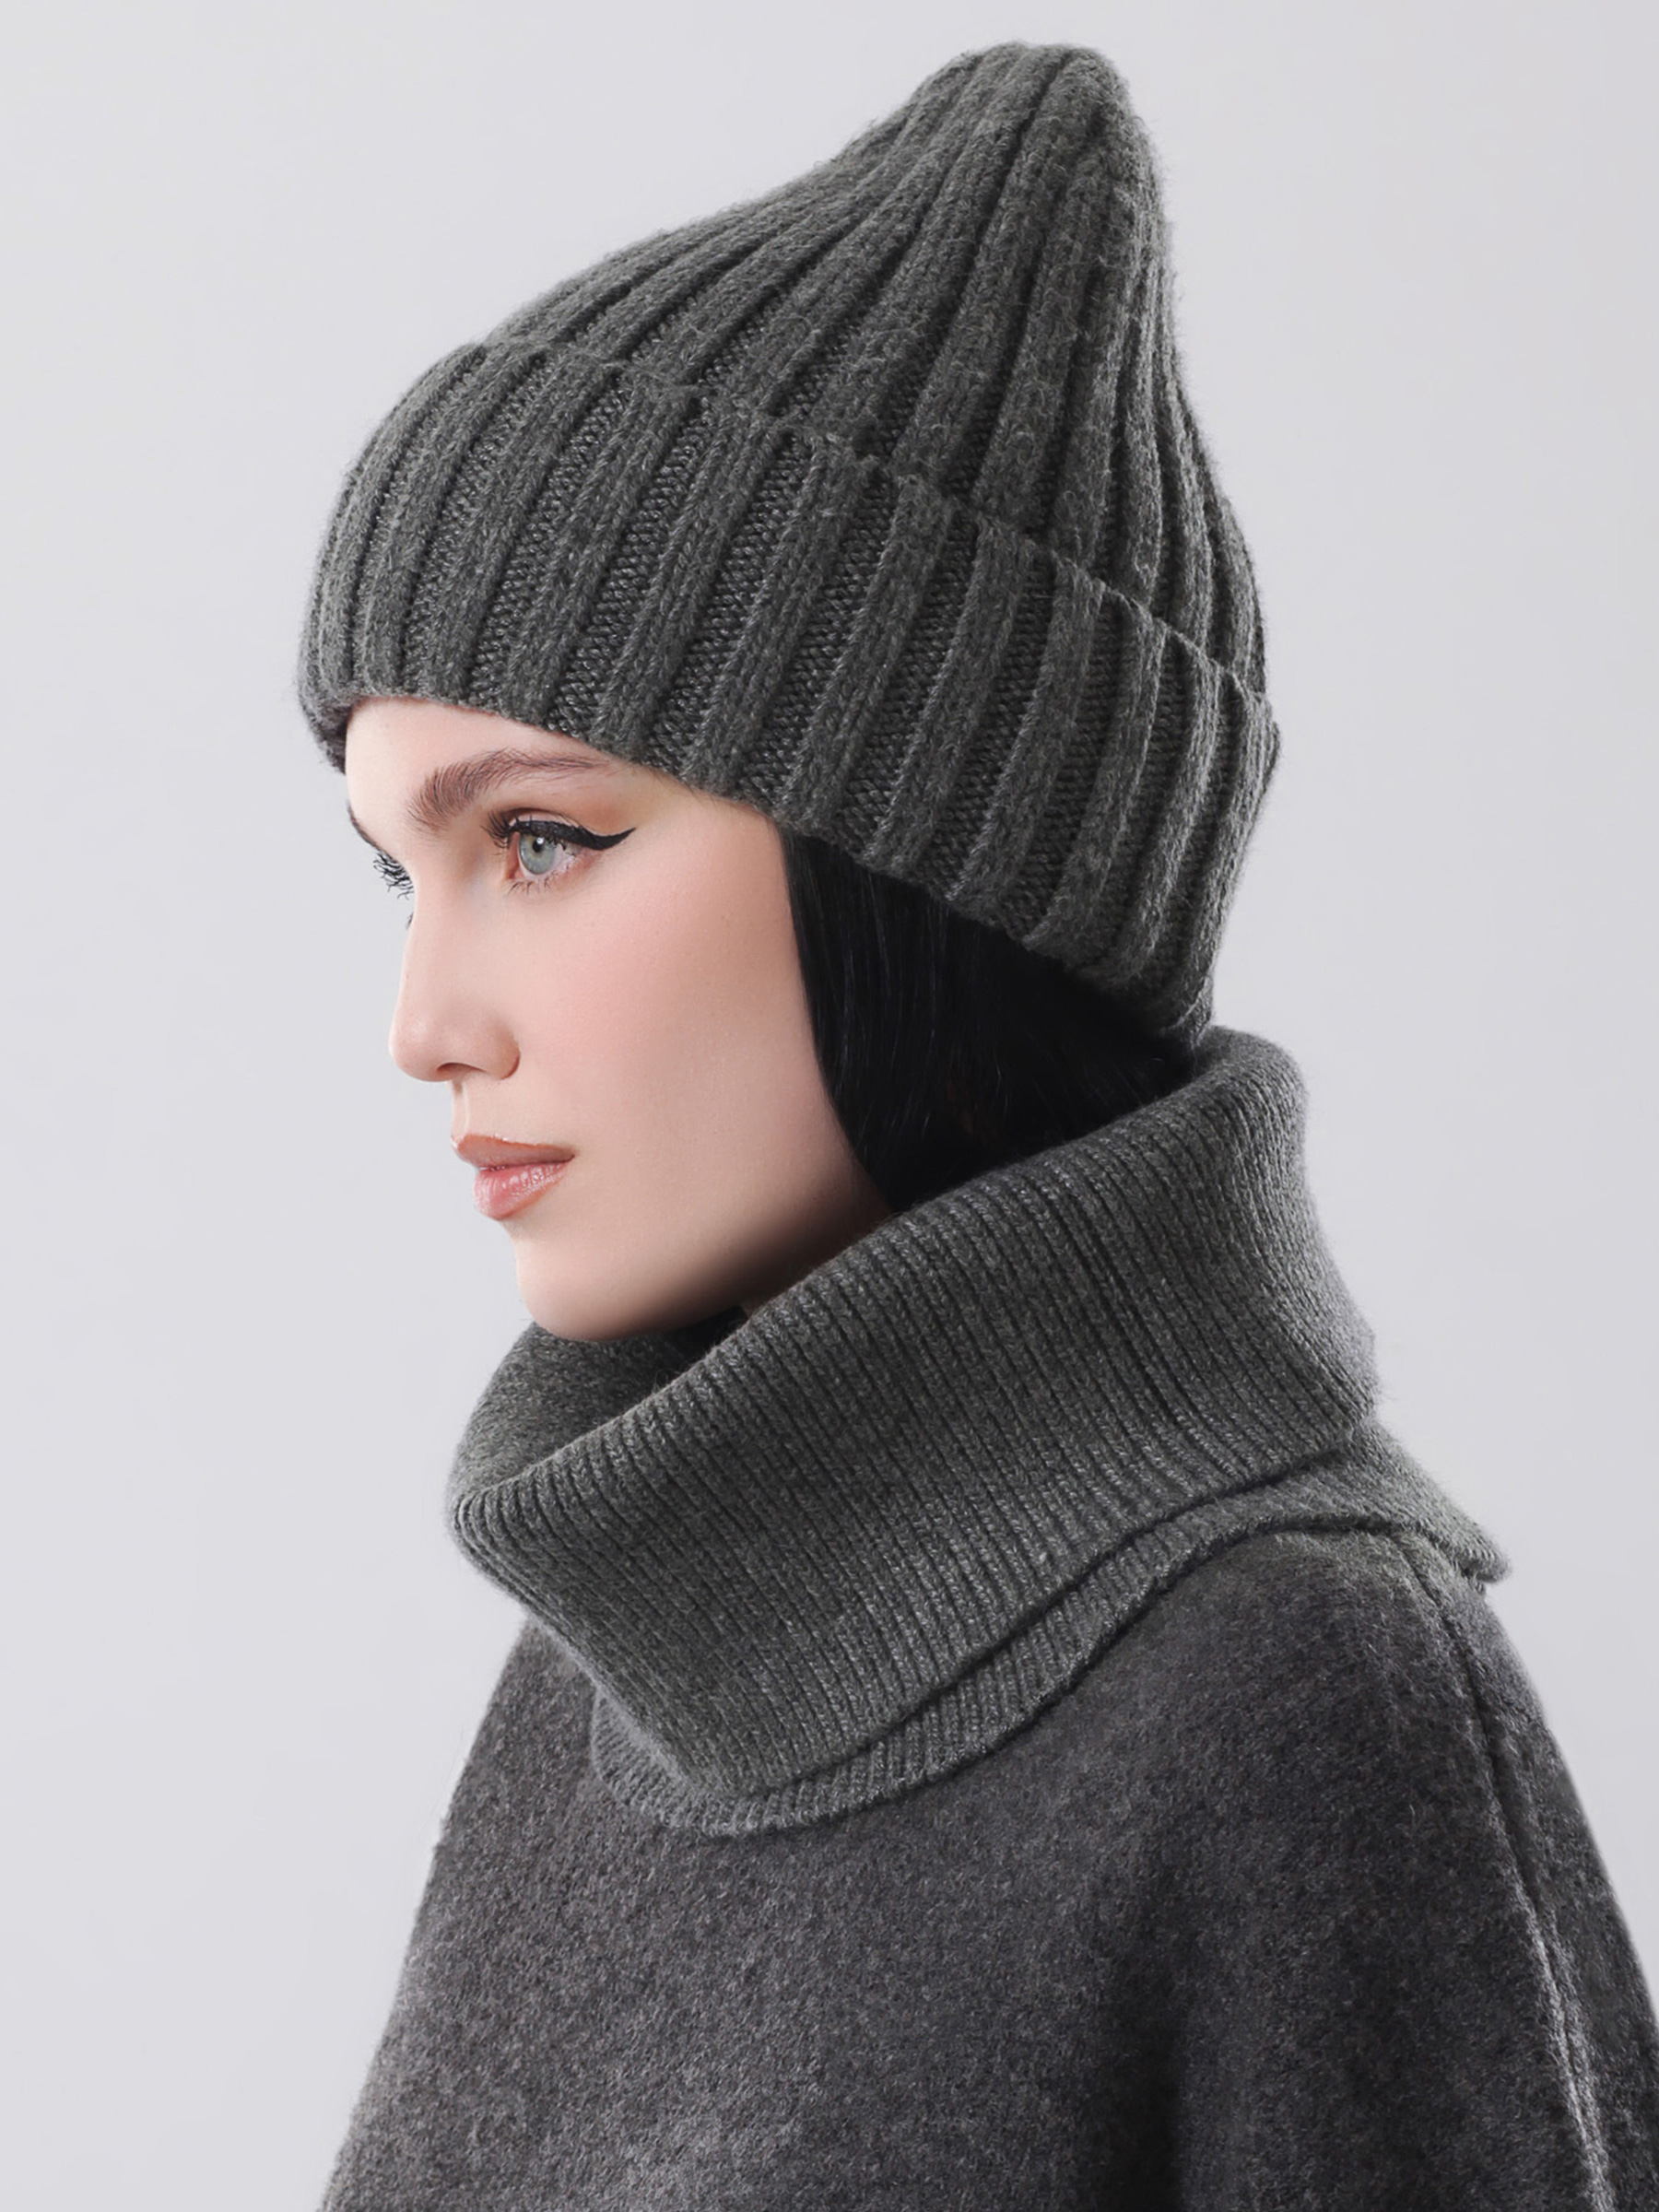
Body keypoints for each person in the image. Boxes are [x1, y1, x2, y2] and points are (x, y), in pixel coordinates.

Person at [296, 41, 1659, 2208]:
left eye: (542, 841)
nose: (422, 1026)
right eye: (402, 870)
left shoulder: (1301, 1695)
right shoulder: (611, 1664)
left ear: (936, 871)